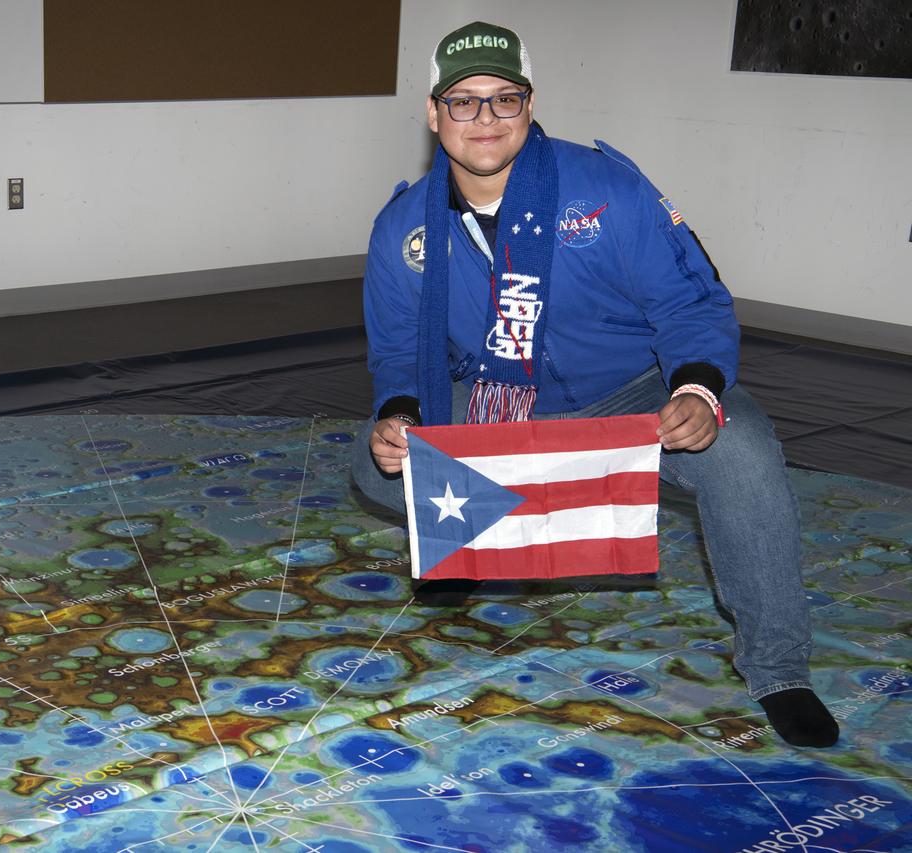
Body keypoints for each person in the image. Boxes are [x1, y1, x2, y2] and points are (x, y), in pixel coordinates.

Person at [350, 21, 838, 748]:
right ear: (433, 114)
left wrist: (697, 392)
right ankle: (473, 540)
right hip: (501, 403)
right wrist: (398, 414)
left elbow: (689, 303)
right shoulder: (402, 229)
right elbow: (396, 349)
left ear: (530, 104)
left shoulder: (606, 188)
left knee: (744, 452)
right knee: (373, 461)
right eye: (463, 101)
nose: (484, 119)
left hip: (636, 394)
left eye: (504, 99)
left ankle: (779, 669)